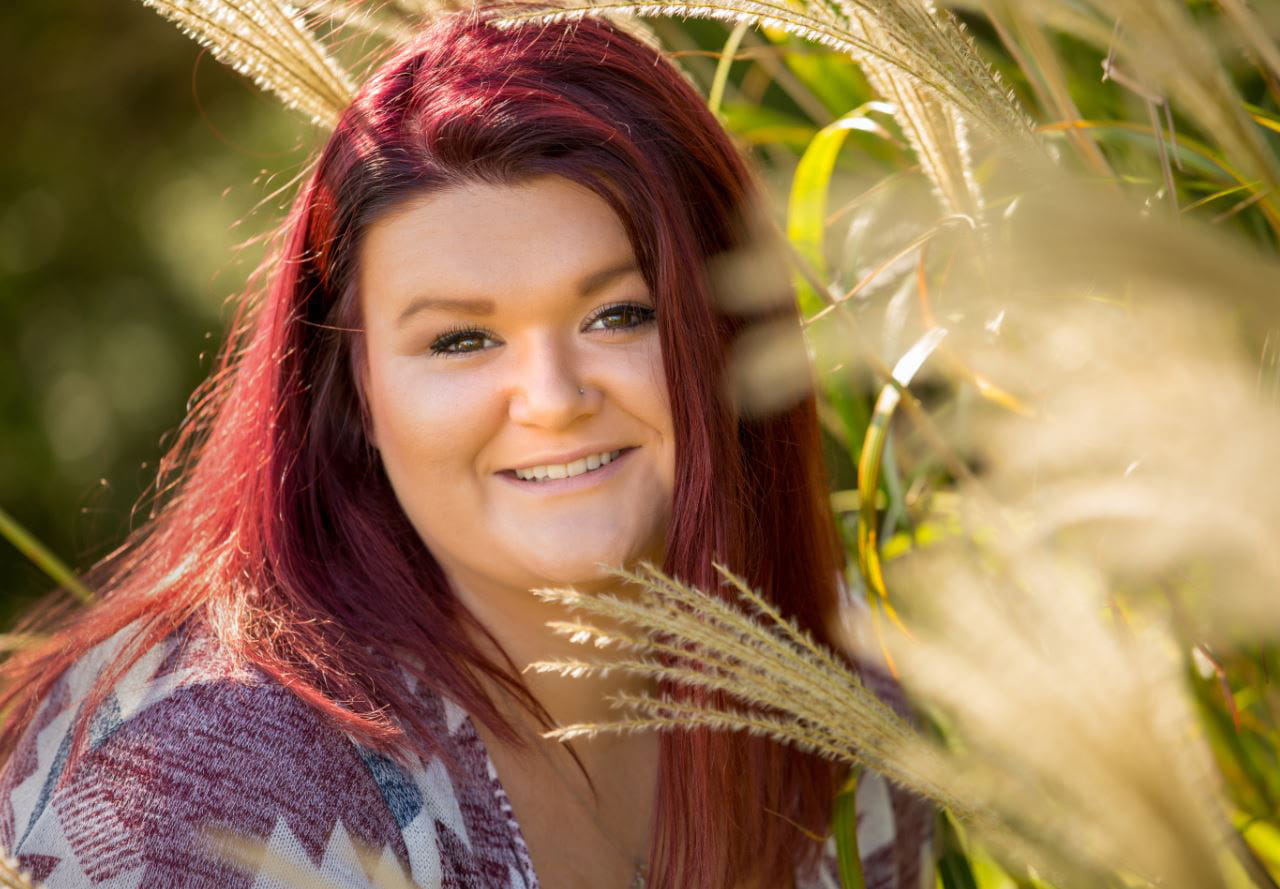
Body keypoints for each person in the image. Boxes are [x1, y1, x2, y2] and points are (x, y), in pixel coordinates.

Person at [0, 7, 931, 888]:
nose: (553, 399)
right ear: (354, 391)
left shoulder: (842, 722)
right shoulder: (212, 792)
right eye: (460, 339)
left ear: (733, 333)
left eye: (619, 314)